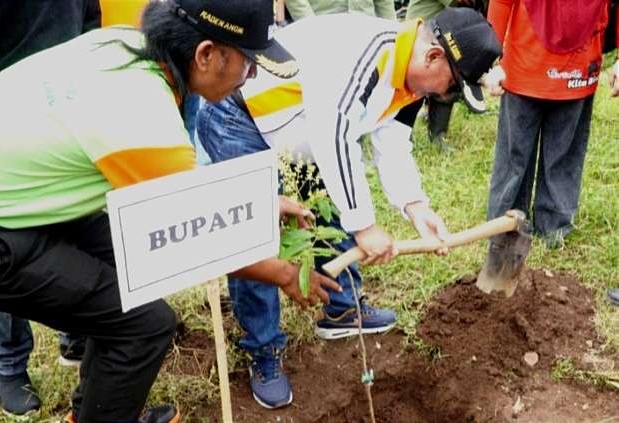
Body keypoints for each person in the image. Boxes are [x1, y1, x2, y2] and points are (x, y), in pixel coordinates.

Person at [0, 1, 341, 422]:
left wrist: (263, 204)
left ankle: (93, 412)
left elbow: (181, 182)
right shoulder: (140, 110)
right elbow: (200, 240)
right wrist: (286, 275)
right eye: (248, 64)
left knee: (129, 283)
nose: (247, 79)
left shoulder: (130, 45)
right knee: (144, 326)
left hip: (12, 189)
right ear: (205, 55)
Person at [197, 7, 501, 409]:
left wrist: (415, 206)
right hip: (241, 115)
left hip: (300, 130)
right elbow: (333, 136)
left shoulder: (408, 80)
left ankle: (341, 311)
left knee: (332, 208)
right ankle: (264, 351)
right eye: (451, 85)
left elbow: (392, 142)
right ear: (433, 57)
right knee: (258, 236)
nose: (444, 95)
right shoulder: (365, 55)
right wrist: (365, 226)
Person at [0, 0, 100, 416]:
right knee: (7, 245)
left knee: (75, 223)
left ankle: (75, 331)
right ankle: (9, 366)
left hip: (65, 105)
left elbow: (90, 15)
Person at [483, 0, 619, 250]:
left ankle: (554, 228)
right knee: (514, 158)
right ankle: (506, 227)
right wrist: (490, 58)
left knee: (564, 155)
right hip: (524, 67)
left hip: (577, 70)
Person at [404, 0, 489, 150]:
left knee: (450, 83)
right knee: (414, 90)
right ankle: (402, 134)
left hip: (449, 33)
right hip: (422, 32)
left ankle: (438, 134)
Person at [284, 0, 396, 21]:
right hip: (323, 25)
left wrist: (393, 30)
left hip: (368, 26)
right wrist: (311, 25)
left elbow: (384, 2)